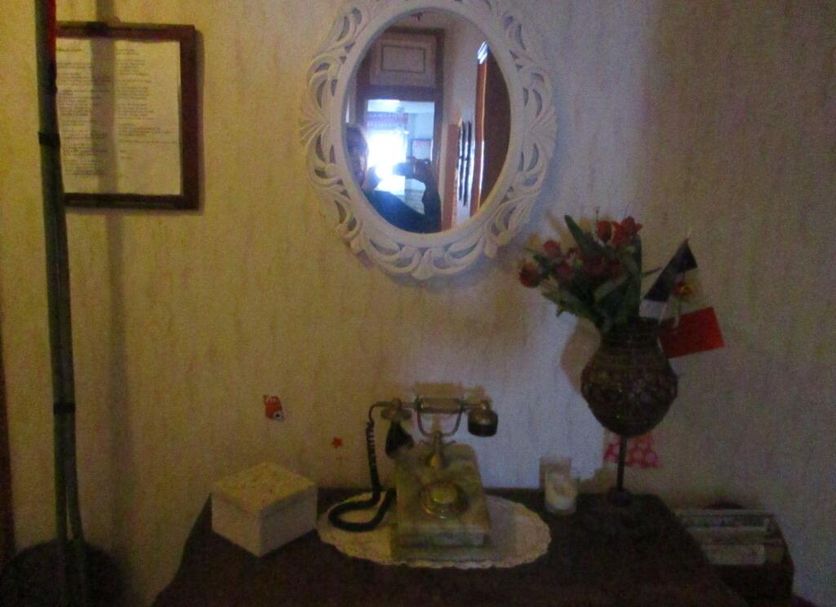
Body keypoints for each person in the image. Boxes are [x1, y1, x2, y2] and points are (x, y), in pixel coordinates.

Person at [345, 124, 442, 233]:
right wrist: (366, 192)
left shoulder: (385, 201)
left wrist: (430, 183)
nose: (358, 158)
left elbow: (430, 229)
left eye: (362, 149)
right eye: (349, 148)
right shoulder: (331, 201)